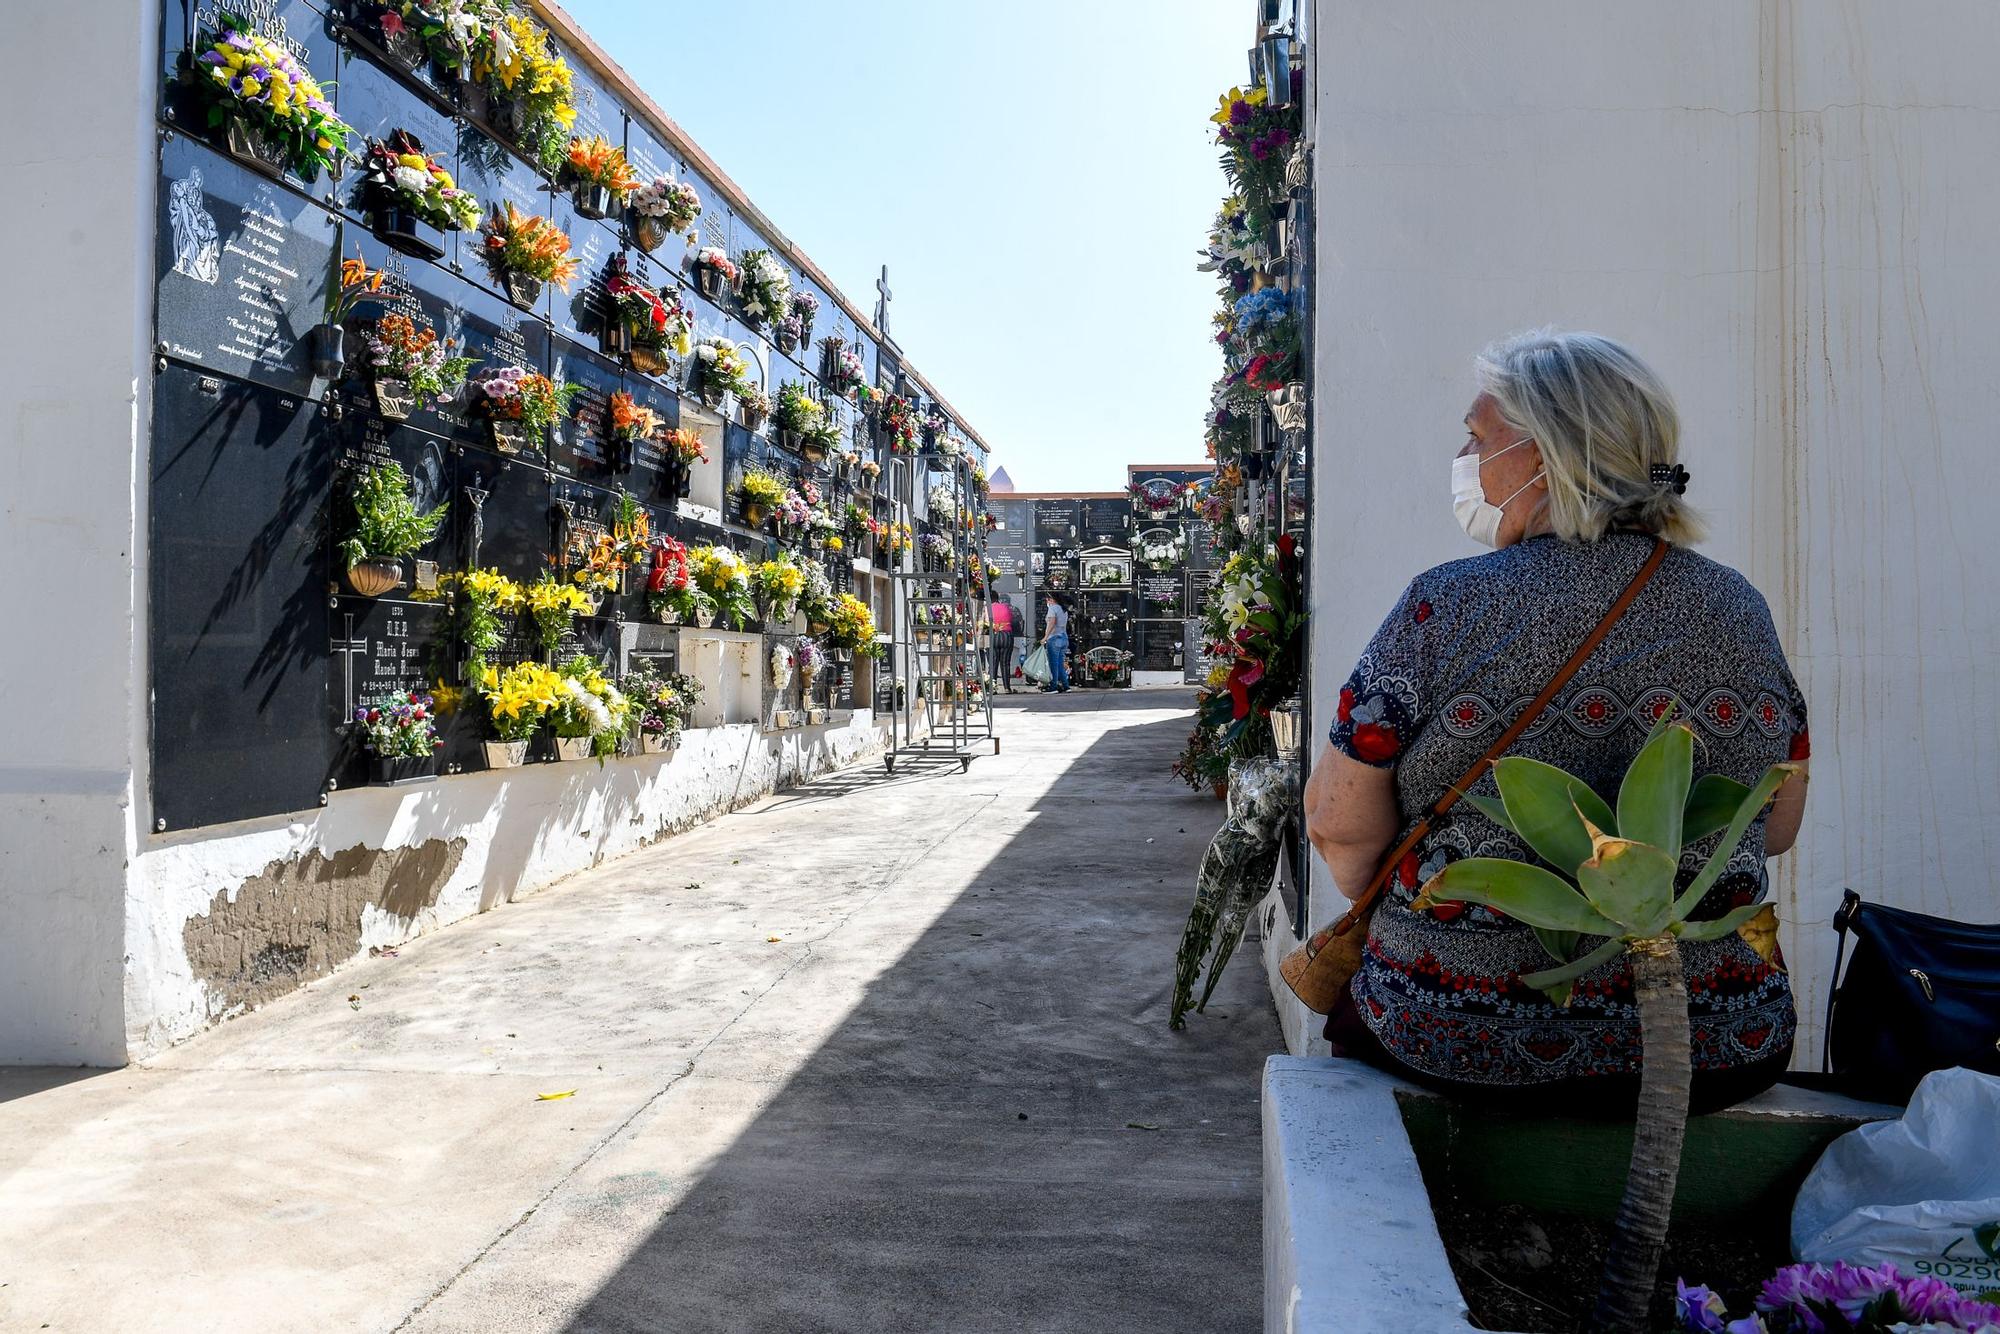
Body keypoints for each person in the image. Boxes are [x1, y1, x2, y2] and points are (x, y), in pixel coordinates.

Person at [1302, 329, 1811, 1113]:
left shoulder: (1446, 606)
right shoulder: (1740, 606)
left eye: (1476, 437)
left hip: (1460, 1032)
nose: (1464, 457)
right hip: (1719, 1037)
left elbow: (1340, 828)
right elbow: (1775, 826)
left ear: (1544, 456)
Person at [1040, 592, 1071, 693]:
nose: (1046, 601)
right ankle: (1066, 686)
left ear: (1052, 600)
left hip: (1054, 638)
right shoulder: (1064, 610)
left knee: (1053, 664)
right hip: (1064, 638)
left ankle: (1053, 686)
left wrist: (1045, 637)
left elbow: (1052, 623)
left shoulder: (1052, 608)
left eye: (1047, 599)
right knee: (1060, 664)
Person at [989, 597, 1019, 693]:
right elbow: (1011, 619)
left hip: (993, 635)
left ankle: (992, 688)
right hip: (1006, 635)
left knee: (993, 662)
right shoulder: (1006, 607)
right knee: (1005, 662)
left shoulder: (987, 607)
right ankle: (1007, 688)